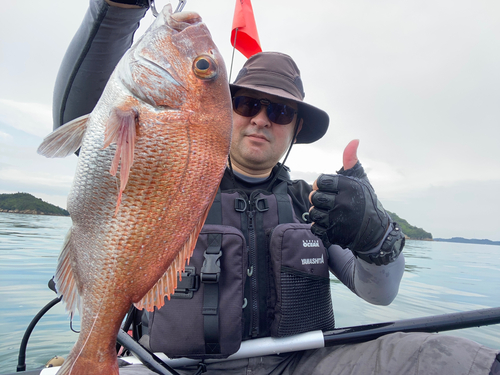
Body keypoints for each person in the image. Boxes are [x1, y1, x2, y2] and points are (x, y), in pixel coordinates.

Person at [52, 1, 500, 374]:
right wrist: (115, 11)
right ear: (224, 110)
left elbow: (378, 294)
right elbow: (83, 118)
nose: (262, 118)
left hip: (300, 365)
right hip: (179, 366)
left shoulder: (314, 206)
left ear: (295, 129)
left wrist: (375, 234)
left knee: (437, 358)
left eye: (281, 112)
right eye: (246, 103)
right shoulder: (160, 165)